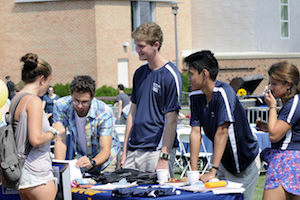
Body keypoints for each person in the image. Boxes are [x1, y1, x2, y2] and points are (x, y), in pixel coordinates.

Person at [185, 50, 260, 200]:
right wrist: (193, 172)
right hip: (223, 164)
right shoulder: (195, 96)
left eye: (191, 74)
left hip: (244, 164)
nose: (189, 79)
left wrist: (212, 170)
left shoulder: (224, 93)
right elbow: (195, 132)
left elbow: (223, 131)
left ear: (204, 73)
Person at [119, 22, 182, 178]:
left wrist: (164, 156)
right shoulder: (139, 73)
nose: (137, 50)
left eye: (141, 46)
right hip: (134, 150)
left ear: (156, 45)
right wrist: (125, 151)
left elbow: (171, 119)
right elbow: (132, 114)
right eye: (136, 45)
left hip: (156, 151)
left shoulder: (170, 75)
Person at [11, 53, 65, 200]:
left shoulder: (16, 98)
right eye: (48, 81)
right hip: (38, 174)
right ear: (42, 79)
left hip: (22, 173)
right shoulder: (33, 101)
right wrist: (55, 131)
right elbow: (35, 139)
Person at [53, 75, 121, 173]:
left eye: (85, 102)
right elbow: (60, 140)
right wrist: (59, 170)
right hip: (83, 156)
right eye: (76, 101)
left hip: (107, 160)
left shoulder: (104, 112)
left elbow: (105, 151)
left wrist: (92, 162)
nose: (80, 106)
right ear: (71, 94)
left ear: (92, 97)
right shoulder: (61, 106)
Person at [262, 61, 300, 199]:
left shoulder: (294, 103)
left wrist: (272, 106)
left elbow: (274, 135)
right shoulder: (292, 103)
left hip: (288, 161)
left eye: (274, 84)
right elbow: (289, 130)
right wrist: (267, 127)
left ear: (288, 84)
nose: (270, 88)